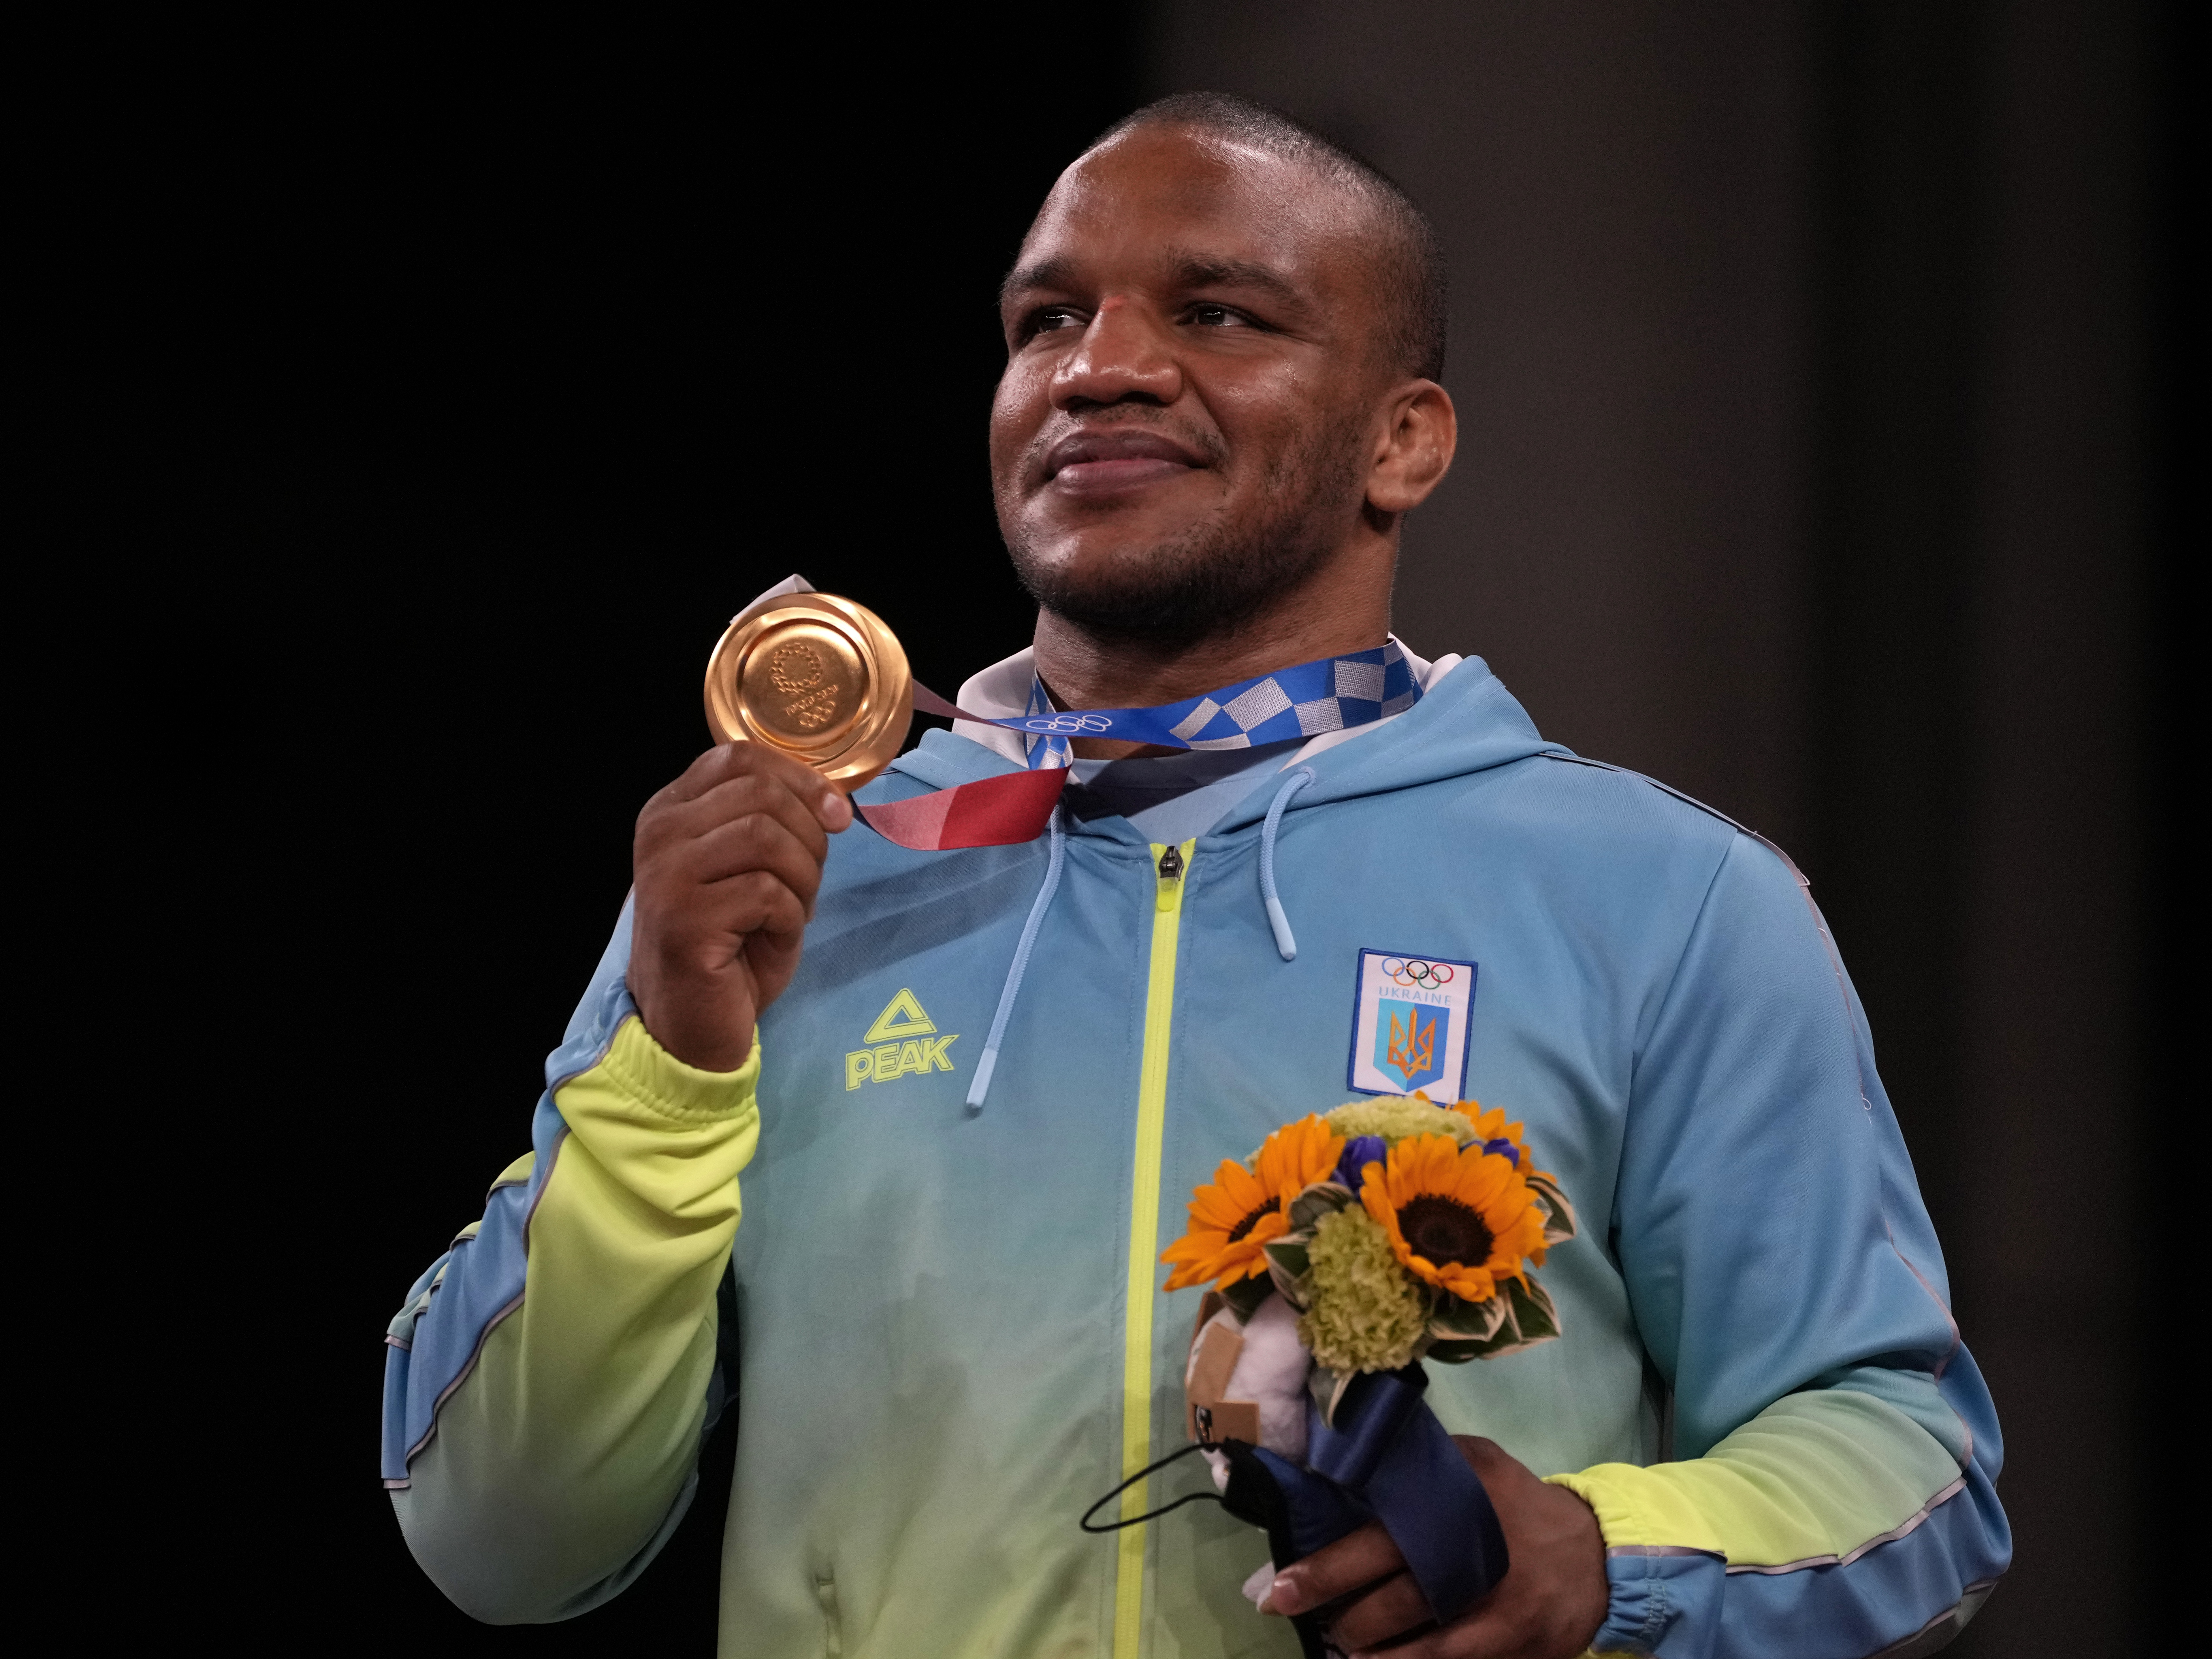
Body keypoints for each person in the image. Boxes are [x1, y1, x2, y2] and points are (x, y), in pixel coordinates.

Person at [381, 93, 2010, 1658]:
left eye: (1221, 314)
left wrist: (1608, 1554)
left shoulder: (1664, 903)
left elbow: (1906, 1467)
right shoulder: (806, 876)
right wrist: (672, 1071)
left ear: (1405, 440)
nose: (1100, 369)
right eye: (1043, 323)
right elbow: (504, 1541)